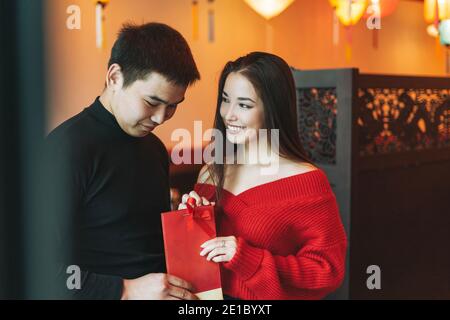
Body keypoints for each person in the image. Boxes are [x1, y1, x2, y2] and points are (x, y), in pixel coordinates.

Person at [46, 22, 200, 300]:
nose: (160, 118)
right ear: (115, 77)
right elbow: (39, 267)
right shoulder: (64, 149)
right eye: (152, 101)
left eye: (173, 106)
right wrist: (125, 290)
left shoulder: (154, 148)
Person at [179, 52, 347, 300]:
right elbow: (199, 257)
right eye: (226, 100)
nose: (229, 114)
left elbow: (327, 271)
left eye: (245, 105)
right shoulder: (211, 170)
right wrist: (193, 219)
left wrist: (247, 258)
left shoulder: (307, 181)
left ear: (273, 108)